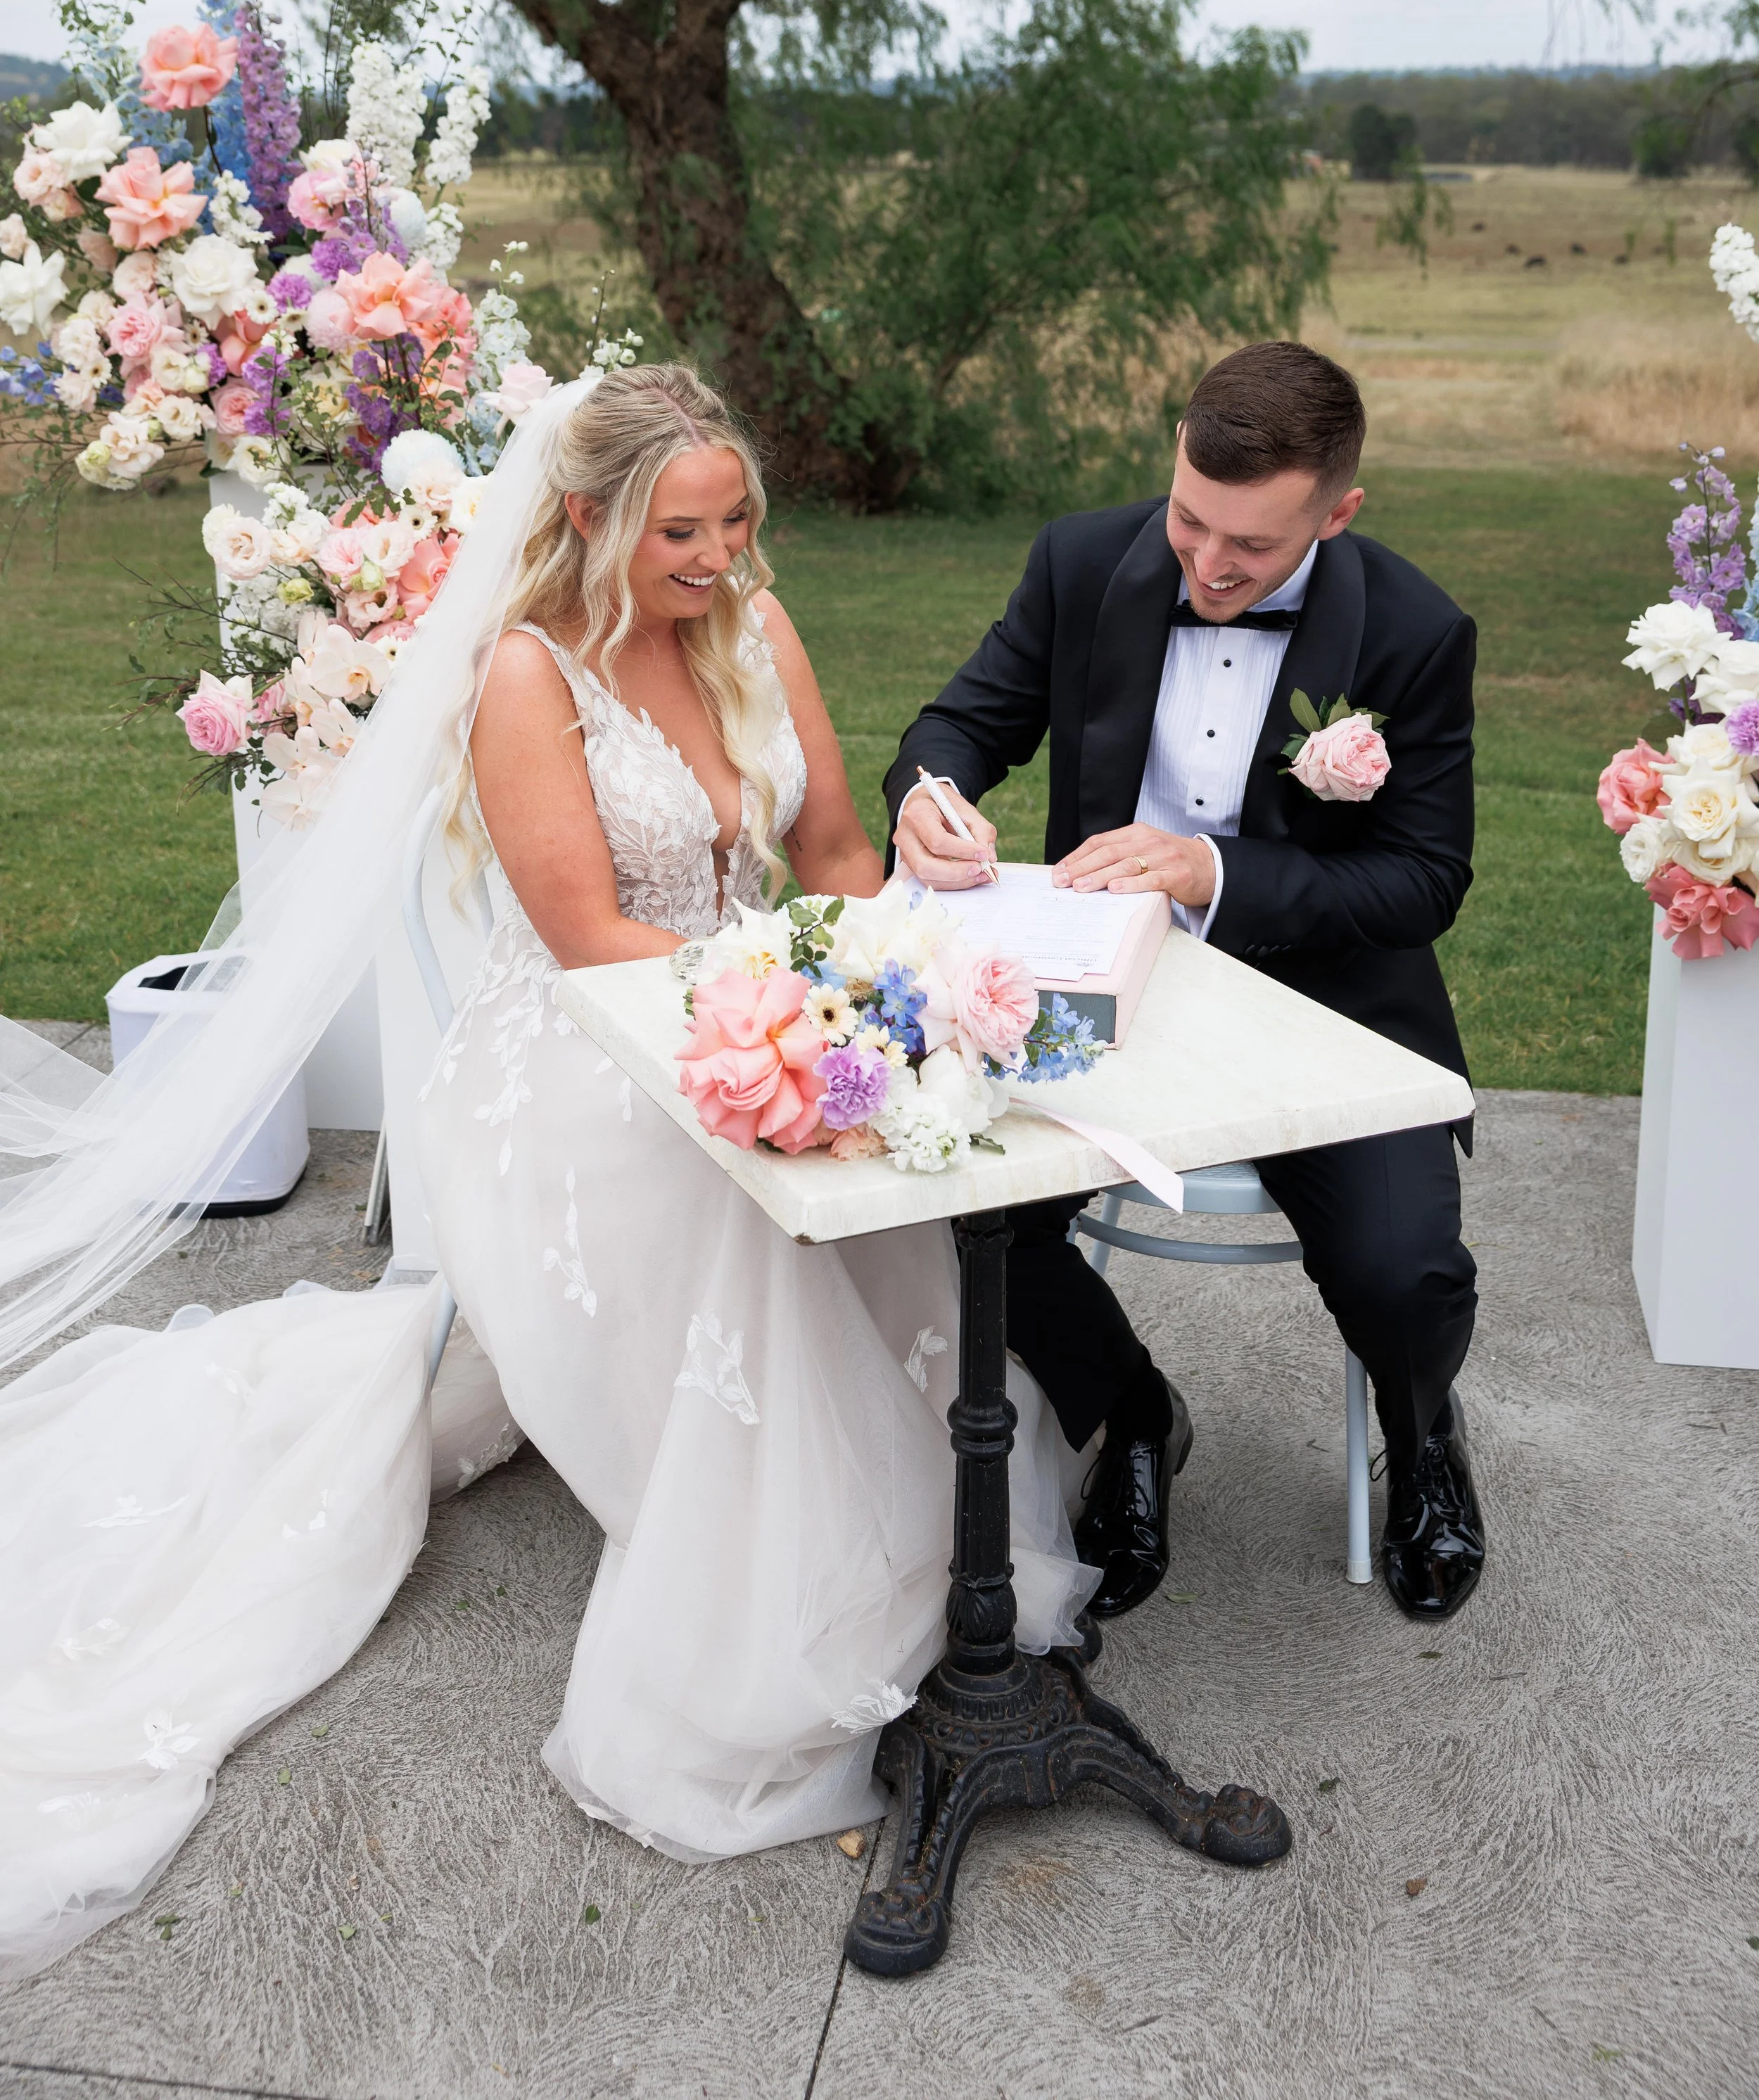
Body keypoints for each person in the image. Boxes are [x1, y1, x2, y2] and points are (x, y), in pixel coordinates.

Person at [0, 363, 1095, 1980]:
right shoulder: (528, 677)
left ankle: (933, 1540)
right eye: (679, 532)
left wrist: (901, 958)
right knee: (750, 1234)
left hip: (760, 1025)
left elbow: (834, 857)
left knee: (892, 1204)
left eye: (736, 522)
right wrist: (788, 1017)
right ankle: (767, 1618)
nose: (718, 559)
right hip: (579, 1072)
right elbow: (588, 940)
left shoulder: (753, 628)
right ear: (585, 520)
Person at [887, 339, 1485, 1625]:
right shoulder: (1082, 559)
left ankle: (1423, 1428)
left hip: (1325, 1005)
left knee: (1402, 1268)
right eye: (1189, 519)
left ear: (1339, 512)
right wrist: (929, 798)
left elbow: (1424, 880)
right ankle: (1137, 1410)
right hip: (1096, 1003)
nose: (1209, 566)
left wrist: (1214, 872)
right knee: (953, 1208)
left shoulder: (1418, 630)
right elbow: (959, 725)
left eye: (1252, 549)